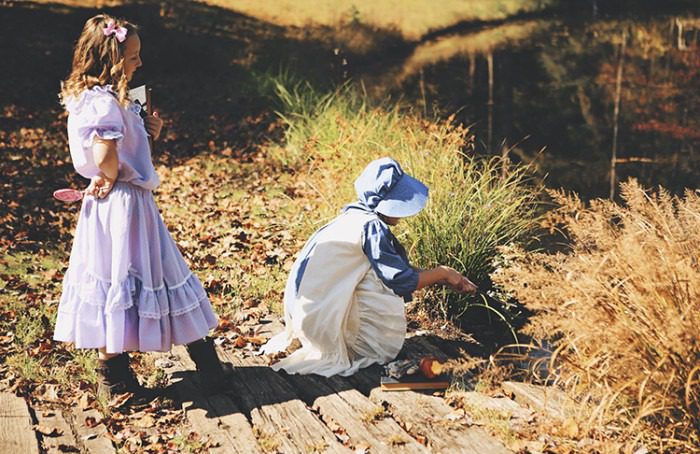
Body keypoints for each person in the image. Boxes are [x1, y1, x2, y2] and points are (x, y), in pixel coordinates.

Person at [53, 14, 232, 400]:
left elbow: (119, 145)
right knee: (159, 272)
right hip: (124, 204)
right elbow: (104, 150)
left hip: (113, 206)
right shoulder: (102, 104)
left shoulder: (103, 99)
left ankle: (115, 376)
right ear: (112, 59)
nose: (139, 63)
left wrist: (148, 132)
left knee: (115, 276)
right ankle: (206, 365)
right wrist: (110, 171)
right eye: (132, 57)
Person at [261, 157, 477, 376]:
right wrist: (443, 272)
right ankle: (361, 344)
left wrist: (446, 278)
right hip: (323, 324)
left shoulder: (351, 217)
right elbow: (402, 281)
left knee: (376, 273)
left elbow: (398, 268)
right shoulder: (372, 228)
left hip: (307, 317)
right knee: (379, 281)